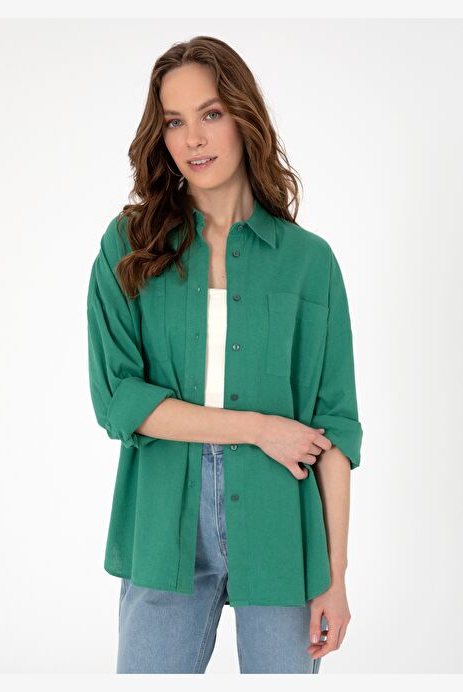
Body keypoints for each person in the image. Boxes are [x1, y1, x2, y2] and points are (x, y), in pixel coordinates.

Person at [86, 35, 363, 674]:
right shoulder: (129, 246)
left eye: (210, 113)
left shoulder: (309, 262)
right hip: (163, 523)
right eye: (173, 121)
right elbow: (120, 400)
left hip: (280, 524)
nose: (193, 139)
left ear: (243, 117)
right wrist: (259, 429)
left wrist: (336, 576)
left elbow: (336, 427)